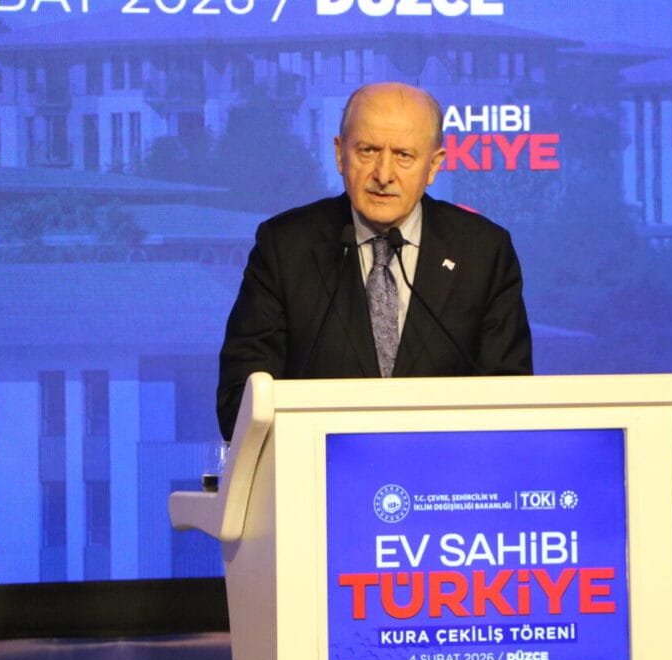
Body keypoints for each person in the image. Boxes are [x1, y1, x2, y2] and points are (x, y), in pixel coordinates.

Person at [216, 82, 532, 439]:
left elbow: (511, 402)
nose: (383, 175)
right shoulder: (285, 247)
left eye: (404, 155)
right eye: (368, 151)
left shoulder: (483, 252)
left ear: (433, 165)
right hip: (318, 468)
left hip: (444, 469)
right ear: (340, 154)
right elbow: (239, 405)